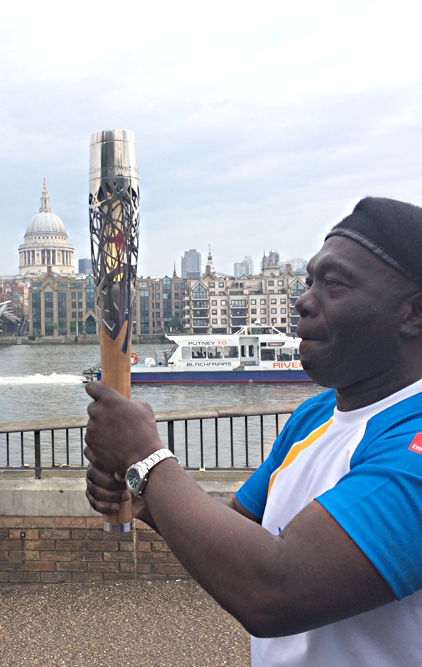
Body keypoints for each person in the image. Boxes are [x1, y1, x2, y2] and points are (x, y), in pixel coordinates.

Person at [84, 197, 422, 666]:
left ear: (414, 312)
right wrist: (143, 495)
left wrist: (146, 456)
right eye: (308, 282)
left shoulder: (413, 441)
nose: (303, 301)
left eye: (334, 284)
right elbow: (244, 531)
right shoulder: (316, 414)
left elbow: (276, 589)